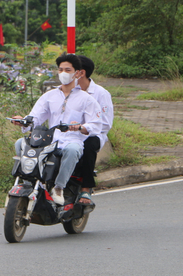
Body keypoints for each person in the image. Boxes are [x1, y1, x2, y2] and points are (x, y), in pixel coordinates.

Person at [12, 54, 102, 205]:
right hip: (50, 140)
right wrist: (23, 121)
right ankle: (29, 182)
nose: (63, 73)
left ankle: (59, 187)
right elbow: (35, 117)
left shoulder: (87, 99)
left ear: (78, 73)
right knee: (19, 143)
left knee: (73, 150)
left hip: (73, 140)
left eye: (68, 70)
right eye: (60, 70)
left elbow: (96, 124)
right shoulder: (49, 96)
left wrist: (81, 127)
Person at [74, 55, 114, 205]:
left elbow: (105, 124)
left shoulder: (101, 94)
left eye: (69, 69)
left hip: (93, 134)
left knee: (89, 145)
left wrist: (85, 128)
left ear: (81, 72)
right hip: (69, 134)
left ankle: (86, 187)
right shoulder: (68, 91)